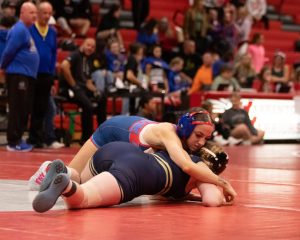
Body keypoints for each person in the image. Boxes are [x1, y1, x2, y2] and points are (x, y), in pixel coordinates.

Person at [30, 110, 237, 202]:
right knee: (80, 177)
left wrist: (188, 196)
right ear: (184, 128)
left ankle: (58, 171)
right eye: (198, 135)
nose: (200, 142)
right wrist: (223, 183)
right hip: (112, 131)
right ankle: (47, 168)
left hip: (125, 134)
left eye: (206, 139)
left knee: (77, 175)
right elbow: (188, 167)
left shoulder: (178, 140)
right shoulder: (169, 133)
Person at [32, 141, 232, 213]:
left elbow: (159, 197)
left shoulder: (177, 151)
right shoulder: (202, 170)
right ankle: (66, 186)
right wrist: (219, 189)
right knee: (81, 198)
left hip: (118, 150)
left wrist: (188, 196)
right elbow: (211, 201)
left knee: (82, 178)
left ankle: (64, 172)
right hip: (136, 172)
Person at [0, 2, 39, 151]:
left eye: (36, 12)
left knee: (23, 107)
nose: (35, 15)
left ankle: (18, 139)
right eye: (31, 13)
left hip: (25, 75)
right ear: (22, 13)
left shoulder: (25, 30)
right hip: (18, 75)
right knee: (17, 108)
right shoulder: (19, 30)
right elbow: (9, 51)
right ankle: (13, 141)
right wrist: (3, 66)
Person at [59, 38, 106, 144]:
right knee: (88, 105)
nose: (90, 48)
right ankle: (86, 139)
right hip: (69, 89)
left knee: (102, 98)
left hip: (81, 89)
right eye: (88, 45)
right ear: (83, 44)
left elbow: (88, 82)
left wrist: (96, 91)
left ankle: (103, 135)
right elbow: (64, 66)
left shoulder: (88, 59)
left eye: (93, 47)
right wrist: (74, 85)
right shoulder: (76, 55)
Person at [27, 1, 57, 148]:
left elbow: (54, 55)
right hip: (31, 74)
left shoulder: (52, 32)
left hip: (46, 75)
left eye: (49, 13)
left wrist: (52, 75)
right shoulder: (30, 30)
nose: (47, 16)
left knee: (41, 108)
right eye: (44, 13)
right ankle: (27, 137)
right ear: (38, 13)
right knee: (29, 106)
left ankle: (37, 139)